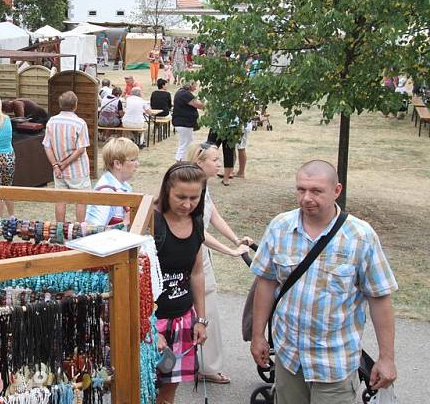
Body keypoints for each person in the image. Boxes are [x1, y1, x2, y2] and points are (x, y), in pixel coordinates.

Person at [250, 160, 398, 404]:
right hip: (289, 361)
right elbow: (265, 283)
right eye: (301, 190)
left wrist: (387, 358)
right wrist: (257, 335)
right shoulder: (280, 227)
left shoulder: (361, 236)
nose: (307, 198)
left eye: (316, 191)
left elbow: (380, 298)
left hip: (335, 366)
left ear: (337, 191)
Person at [185, 142, 252, 384]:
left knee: (199, 307)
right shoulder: (192, 189)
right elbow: (198, 231)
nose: (218, 163)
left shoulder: (203, 187)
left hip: (198, 254)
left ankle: (197, 362)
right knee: (206, 307)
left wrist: (236, 238)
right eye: (214, 160)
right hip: (193, 256)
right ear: (199, 162)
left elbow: (213, 215)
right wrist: (230, 251)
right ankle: (207, 367)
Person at [153, 162, 209, 404]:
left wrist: (201, 320)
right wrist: (148, 329)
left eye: (194, 198)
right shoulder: (150, 221)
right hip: (151, 323)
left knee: (168, 395)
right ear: (167, 190)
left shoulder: (196, 223)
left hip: (182, 320)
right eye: (181, 197)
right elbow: (134, 277)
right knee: (141, 390)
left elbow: (196, 273)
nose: (187, 204)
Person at [43, 91, 91, 222]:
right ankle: (80, 229)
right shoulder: (80, 123)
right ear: (75, 105)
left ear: (60, 105)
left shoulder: (51, 122)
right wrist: (65, 164)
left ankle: (59, 230)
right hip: (78, 170)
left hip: (58, 170)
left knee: (60, 200)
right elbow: (81, 148)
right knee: (81, 200)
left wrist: (55, 165)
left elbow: (47, 146)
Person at [85, 137, 139, 227]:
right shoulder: (105, 192)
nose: (137, 164)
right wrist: (125, 223)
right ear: (117, 164)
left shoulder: (122, 186)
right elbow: (94, 230)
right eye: (133, 160)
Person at [172, 80, 204, 161]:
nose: (196, 87)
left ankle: (184, 160)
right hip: (184, 123)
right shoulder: (185, 94)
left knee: (187, 142)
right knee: (185, 144)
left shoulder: (181, 92)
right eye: (195, 85)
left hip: (182, 122)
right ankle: (179, 161)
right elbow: (199, 105)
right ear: (190, 85)